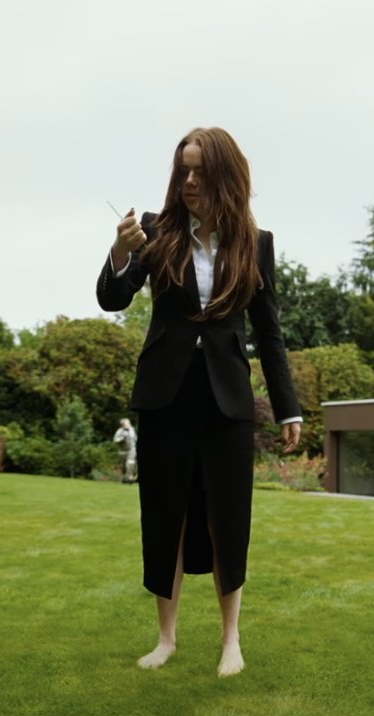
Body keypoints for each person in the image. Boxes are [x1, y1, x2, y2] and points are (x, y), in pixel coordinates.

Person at [96, 126, 301, 677]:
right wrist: (121, 250)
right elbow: (113, 299)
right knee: (166, 518)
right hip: (164, 396)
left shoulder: (256, 243)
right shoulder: (157, 230)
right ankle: (166, 639)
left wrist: (289, 407)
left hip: (227, 400)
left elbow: (269, 332)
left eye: (200, 171)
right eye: (183, 169)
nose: (189, 180)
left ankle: (231, 639)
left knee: (227, 520)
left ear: (225, 176)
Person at [113, 418, 138, 483]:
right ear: (122, 425)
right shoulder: (119, 431)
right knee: (123, 466)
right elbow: (115, 440)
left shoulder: (132, 430)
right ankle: (125, 478)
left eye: (128, 423)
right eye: (126, 423)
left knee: (130, 463)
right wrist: (122, 438)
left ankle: (130, 478)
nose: (128, 425)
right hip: (122, 451)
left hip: (131, 449)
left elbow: (135, 438)